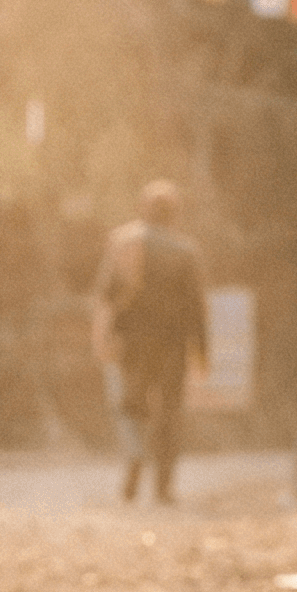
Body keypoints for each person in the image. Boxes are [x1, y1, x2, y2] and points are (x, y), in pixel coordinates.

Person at [93, 180, 208, 504]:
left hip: (133, 344)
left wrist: (103, 336)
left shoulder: (125, 243)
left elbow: (106, 295)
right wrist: (202, 352)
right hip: (173, 344)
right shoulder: (187, 251)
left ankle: (134, 463)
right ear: (176, 215)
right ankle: (164, 487)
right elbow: (198, 308)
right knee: (170, 413)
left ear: (144, 209)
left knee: (132, 406)